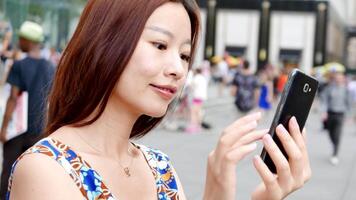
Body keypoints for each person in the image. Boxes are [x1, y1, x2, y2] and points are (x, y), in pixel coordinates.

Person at [7, 1, 311, 200]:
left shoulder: (160, 168)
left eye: (184, 55)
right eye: (160, 45)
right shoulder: (46, 169)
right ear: (105, 43)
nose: (178, 69)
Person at [0, 21, 55, 199]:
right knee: (33, 172)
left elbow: (12, 98)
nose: (19, 42)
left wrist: (3, 128)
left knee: (9, 170)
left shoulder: (19, 65)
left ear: (27, 41)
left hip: (17, 129)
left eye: (21, 39)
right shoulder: (50, 67)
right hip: (39, 129)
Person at [321, 71, 351, 165]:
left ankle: (335, 154)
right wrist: (324, 112)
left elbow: (349, 103)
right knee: (330, 133)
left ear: (343, 79)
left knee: (337, 134)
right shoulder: (330, 88)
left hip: (340, 114)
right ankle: (334, 145)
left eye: (340, 78)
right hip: (330, 113)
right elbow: (325, 100)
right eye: (337, 78)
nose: (338, 80)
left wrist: (349, 116)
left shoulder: (346, 90)